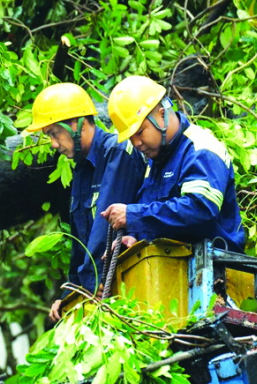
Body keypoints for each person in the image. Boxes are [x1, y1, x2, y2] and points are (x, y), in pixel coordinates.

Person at [28, 82, 146, 321]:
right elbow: (80, 244)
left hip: (126, 289)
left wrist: (89, 288)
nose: (53, 143)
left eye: (53, 133)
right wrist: (71, 294)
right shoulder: (81, 169)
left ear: (75, 124)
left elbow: (105, 231)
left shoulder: (117, 152)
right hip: (96, 293)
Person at [100, 75, 245, 252]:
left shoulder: (201, 150)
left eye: (139, 132)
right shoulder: (156, 161)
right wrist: (135, 238)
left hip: (216, 269)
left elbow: (200, 209)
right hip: (174, 268)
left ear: (161, 115)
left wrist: (133, 215)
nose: (136, 143)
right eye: (131, 137)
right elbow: (158, 217)